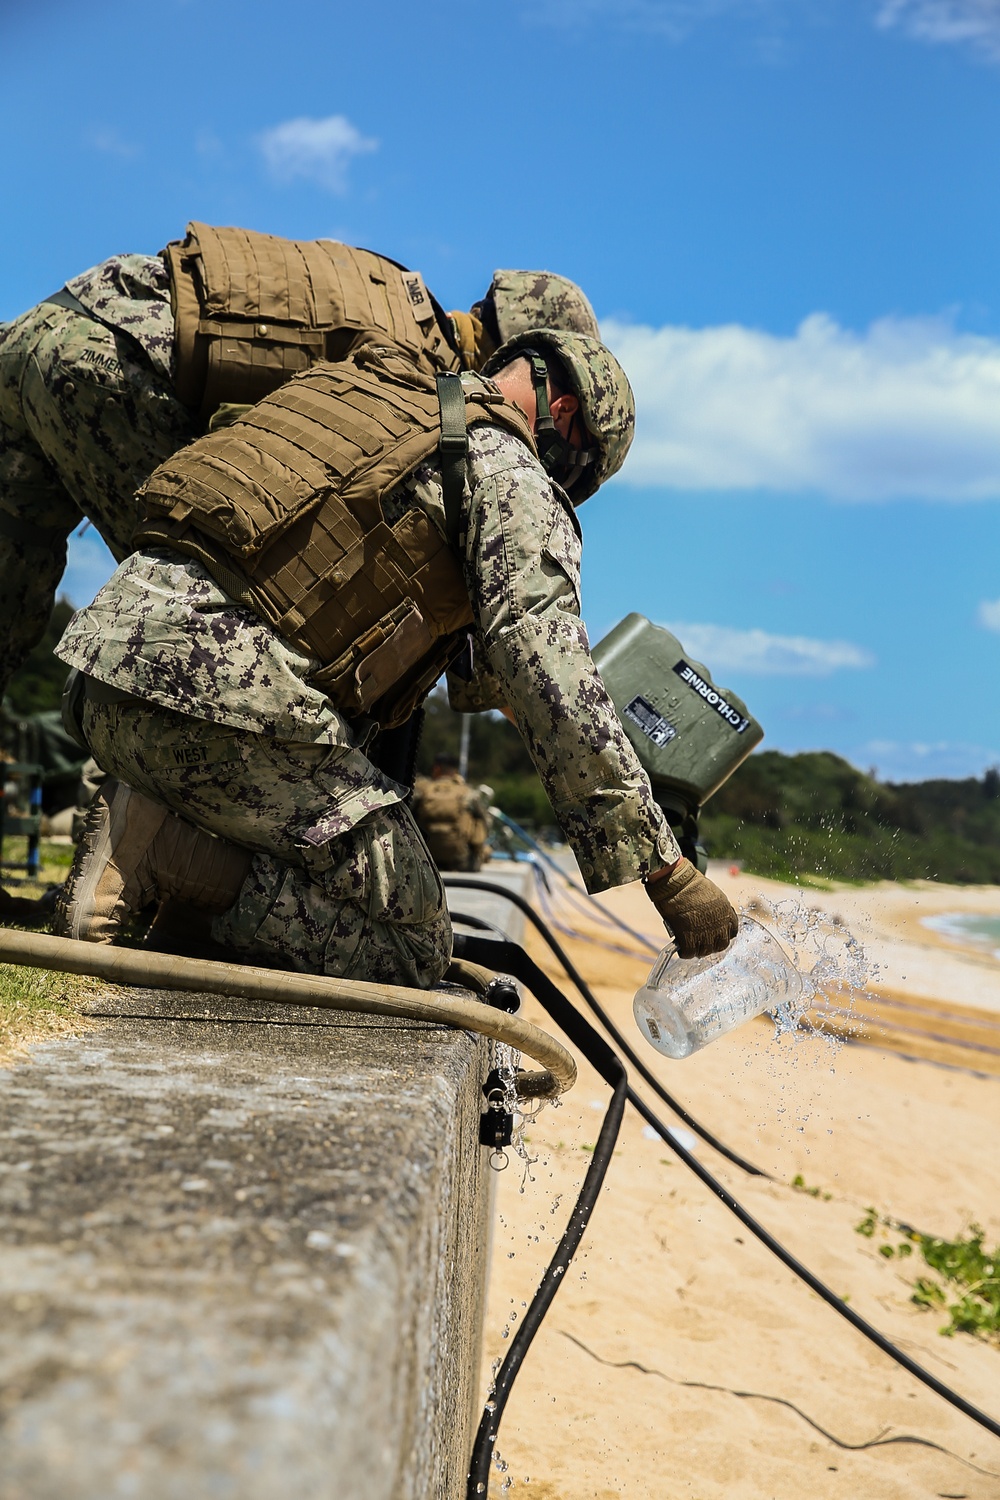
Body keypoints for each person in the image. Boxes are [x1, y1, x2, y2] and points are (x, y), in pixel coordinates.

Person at [53, 327, 738, 987]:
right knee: (411, 940)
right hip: (222, 720)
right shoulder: (503, 466)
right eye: (583, 470)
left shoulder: (363, 399)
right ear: (563, 413)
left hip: (101, 682)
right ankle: (160, 858)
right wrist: (665, 870)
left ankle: (161, 878)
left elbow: (498, 677)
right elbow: (546, 670)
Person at [0, 219, 600, 698]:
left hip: (51, 328)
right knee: (175, 631)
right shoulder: (426, 375)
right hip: (113, 378)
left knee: (13, 612)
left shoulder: (393, 294)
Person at [411, 754, 490, 872]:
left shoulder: (423, 790)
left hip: (426, 858)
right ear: (455, 772)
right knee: (477, 820)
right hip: (460, 860)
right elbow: (485, 822)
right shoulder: (466, 792)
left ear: (437, 769)